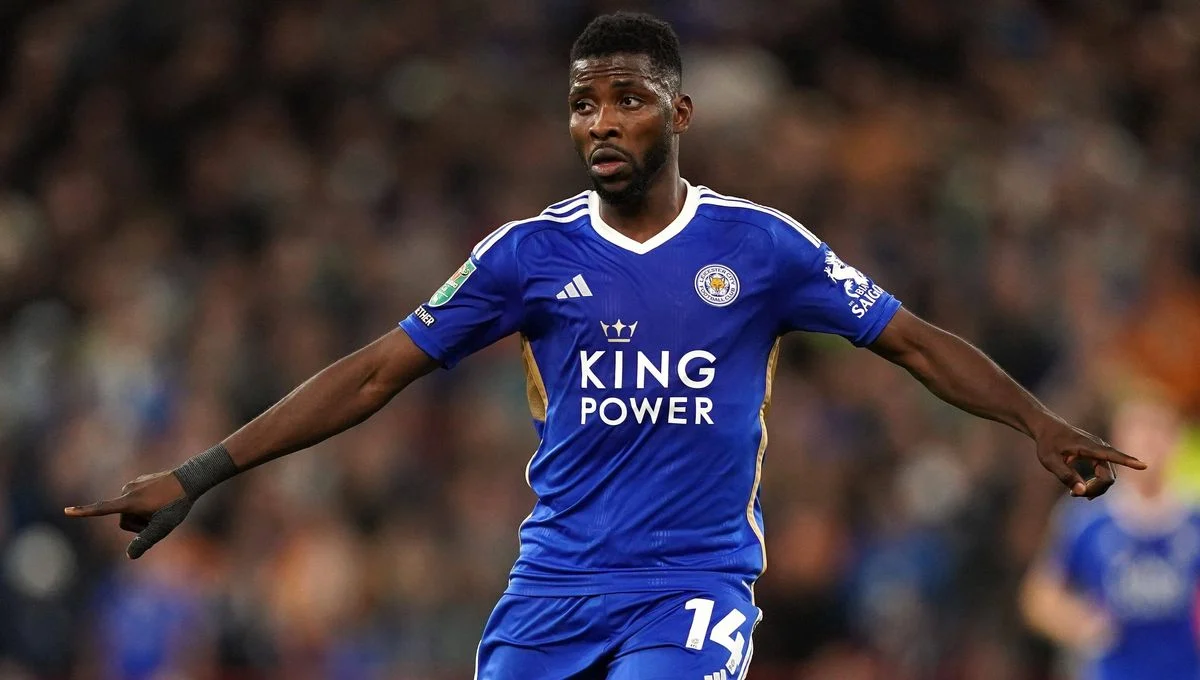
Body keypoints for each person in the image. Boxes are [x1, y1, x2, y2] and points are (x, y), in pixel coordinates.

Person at [66, 12, 1145, 679]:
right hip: (554, 582)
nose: (600, 121)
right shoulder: (527, 255)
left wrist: (1036, 421)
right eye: (583, 103)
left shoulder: (759, 246)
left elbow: (910, 342)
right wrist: (202, 471)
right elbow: (374, 371)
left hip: (693, 580)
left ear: (679, 107)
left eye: (625, 98)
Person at [1021, 393, 1199, 680]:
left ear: (1175, 441)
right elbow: (1040, 597)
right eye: (1139, 430)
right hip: (1113, 671)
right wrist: (1079, 624)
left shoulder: (1194, 522)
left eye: (1158, 430)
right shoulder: (1088, 521)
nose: (1148, 442)